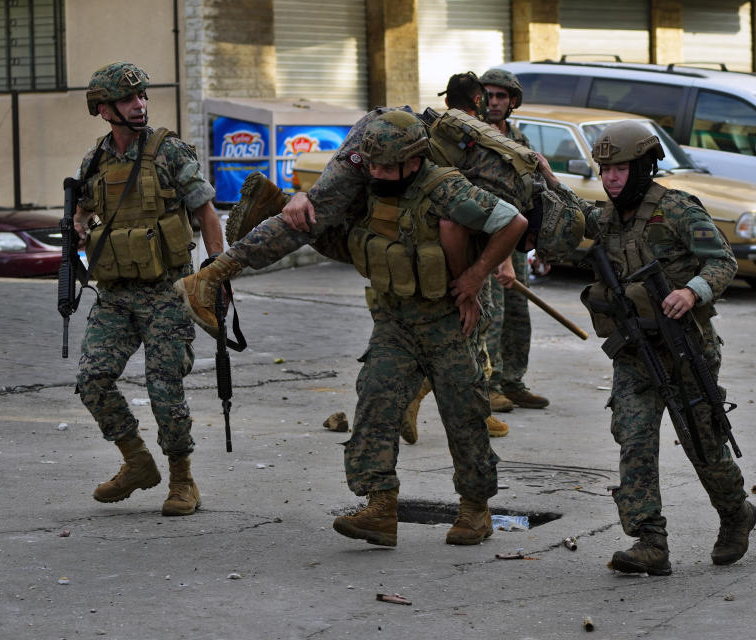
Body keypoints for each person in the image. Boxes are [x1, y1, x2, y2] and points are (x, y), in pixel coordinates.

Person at [178, 111, 527, 546]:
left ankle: (475, 511)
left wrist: (475, 278)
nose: (377, 172)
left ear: (413, 161)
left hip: (446, 322)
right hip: (394, 320)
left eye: (386, 166)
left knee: (464, 416)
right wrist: (302, 197)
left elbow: (512, 222)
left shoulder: (446, 188)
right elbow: (329, 205)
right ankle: (380, 509)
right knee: (375, 405)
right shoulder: (368, 181)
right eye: (372, 164)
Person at [543, 120, 756, 574]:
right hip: (634, 351)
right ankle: (649, 541)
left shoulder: (678, 209)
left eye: (620, 169)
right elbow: (565, 235)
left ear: (643, 166)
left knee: (703, 442)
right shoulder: (603, 218)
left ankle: (737, 513)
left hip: (685, 349)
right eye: (604, 170)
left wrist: (692, 291)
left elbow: (723, 260)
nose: (611, 178)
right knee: (634, 439)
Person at [73, 62, 223, 517]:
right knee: (92, 379)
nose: (139, 106)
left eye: (142, 98)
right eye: (127, 100)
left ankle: (183, 480)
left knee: (164, 387)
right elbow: (81, 212)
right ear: (104, 110)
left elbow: (207, 214)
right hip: (116, 293)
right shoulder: (95, 159)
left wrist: (216, 271)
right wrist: (78, 229)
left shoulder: (168, 151)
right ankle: (137, 462)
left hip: (166, 291)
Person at [479, 68, 549, 412]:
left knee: (518, 314)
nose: (493, 102)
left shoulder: (519, 141)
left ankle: (512, 381)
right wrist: (500, 254)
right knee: (491, 313)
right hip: (484, 240)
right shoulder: (473, 137)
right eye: (488, 95)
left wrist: (540, 245)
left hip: (517, 238)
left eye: (500, 96)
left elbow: (531, 192)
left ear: (512, 101)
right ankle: (488, 385)